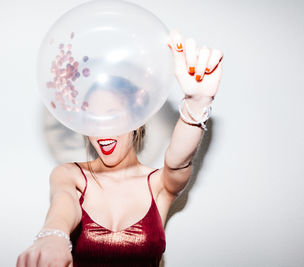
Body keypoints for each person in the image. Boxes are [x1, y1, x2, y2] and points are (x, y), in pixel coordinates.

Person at [16, 30, 223, 267]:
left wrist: (196, 106)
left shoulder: (158, 184)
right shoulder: (70, 175)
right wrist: (53, 235)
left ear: (137, 120)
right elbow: (63, 204)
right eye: (93, 119)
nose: (102, 130)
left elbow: (178, 162)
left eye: (113, 116)